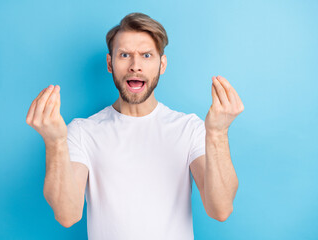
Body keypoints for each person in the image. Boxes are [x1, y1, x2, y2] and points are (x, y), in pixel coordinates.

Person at [26, 12, 244, 240]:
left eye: (147, 55)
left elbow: (221, 209)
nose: (135, 66)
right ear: (110, 64)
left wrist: (218, 134)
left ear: (162, 64)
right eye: (125, 55)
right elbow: (67, 215)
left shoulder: (189, 128)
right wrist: (55, 143)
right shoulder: (83, 131)